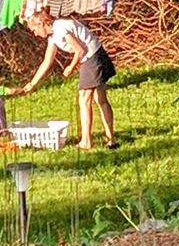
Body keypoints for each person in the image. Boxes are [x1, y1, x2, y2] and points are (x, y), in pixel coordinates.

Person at [23, 10, 117, 149]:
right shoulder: (53, 36)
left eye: (34, 30)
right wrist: (32, 83)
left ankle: (87, 141)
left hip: (92, 56)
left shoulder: (60, 28)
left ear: (42, 23)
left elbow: (79, 50)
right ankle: (111, 141)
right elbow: (47, 61)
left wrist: (71, 67)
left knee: (84, 99)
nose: (35, 34)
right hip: (94, 55)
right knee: (100, 98)